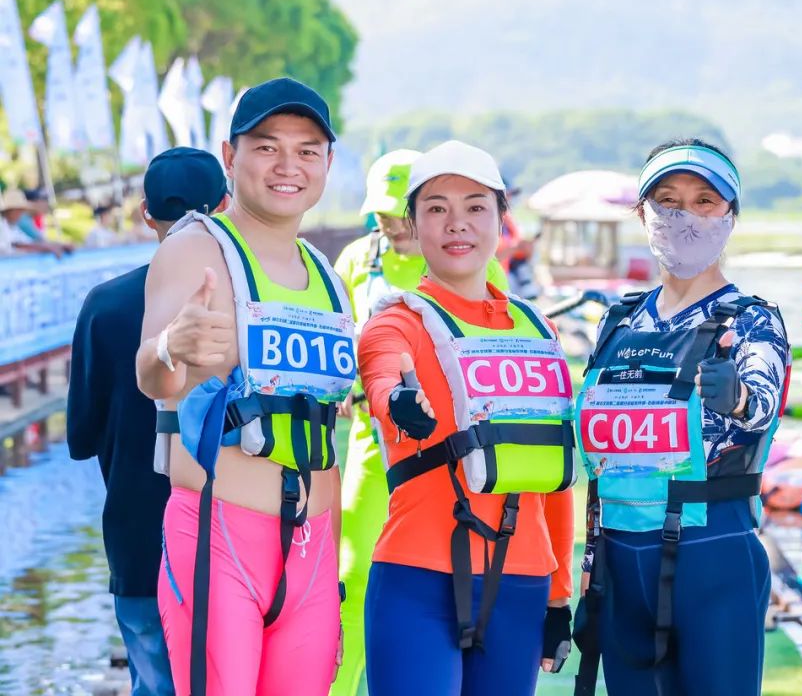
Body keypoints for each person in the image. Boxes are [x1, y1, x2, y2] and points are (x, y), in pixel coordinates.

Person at [136, 77, 354, 696]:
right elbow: (151, 376)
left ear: (327, 162)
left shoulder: (328, 278)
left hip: (312, 552)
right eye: (267, 147)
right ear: (230, 156)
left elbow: (326, 434)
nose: (288, 166)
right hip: (218, 538)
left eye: (306, 150)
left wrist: (333, 572)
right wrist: (170, 346)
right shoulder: (194, 250)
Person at [572, 139, 789, 696]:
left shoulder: (751, 320)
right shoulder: (619, 322)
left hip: (713, 555)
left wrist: (736, 394)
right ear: (642, 214)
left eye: (703, 201)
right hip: (619, 560)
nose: (684, 216)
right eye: (667, 201)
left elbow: (762, 402)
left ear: (730, 215)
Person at [357, 140, 575, 695]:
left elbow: (553, 474)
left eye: (475, 207)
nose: (457, 223)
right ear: (413, 224)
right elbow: (381, 374)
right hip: (417, 579)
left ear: (502, 219)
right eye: (437, 208)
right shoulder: (395, 322)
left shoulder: (538, 330)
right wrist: (396, 402)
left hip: (522, 583)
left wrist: (558, 595)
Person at [331, 149, 508, 696]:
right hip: (372, 443)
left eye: (397, 212)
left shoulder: (476, 261)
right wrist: (345, 386)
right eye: (380, 213)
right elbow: (335, 341)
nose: (389, 224)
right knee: (352, 574)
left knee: (448, 574)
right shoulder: (356, 260)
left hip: (452, 455)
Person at [67, 147, 229, 696]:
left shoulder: (105, 305)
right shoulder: (246, 304)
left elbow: (81, 436)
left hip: (138, 535)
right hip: (234, 535)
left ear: (145, 213)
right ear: (225, 206)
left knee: (156, 683)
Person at [0, 190, 68, 256]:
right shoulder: (3, 226)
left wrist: (58, 245)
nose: (20, 213)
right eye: (17, 210)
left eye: (21, 210)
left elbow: (27, 241)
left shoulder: (14, 226)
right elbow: (16, 244)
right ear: (8, 211)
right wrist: (48, 247)